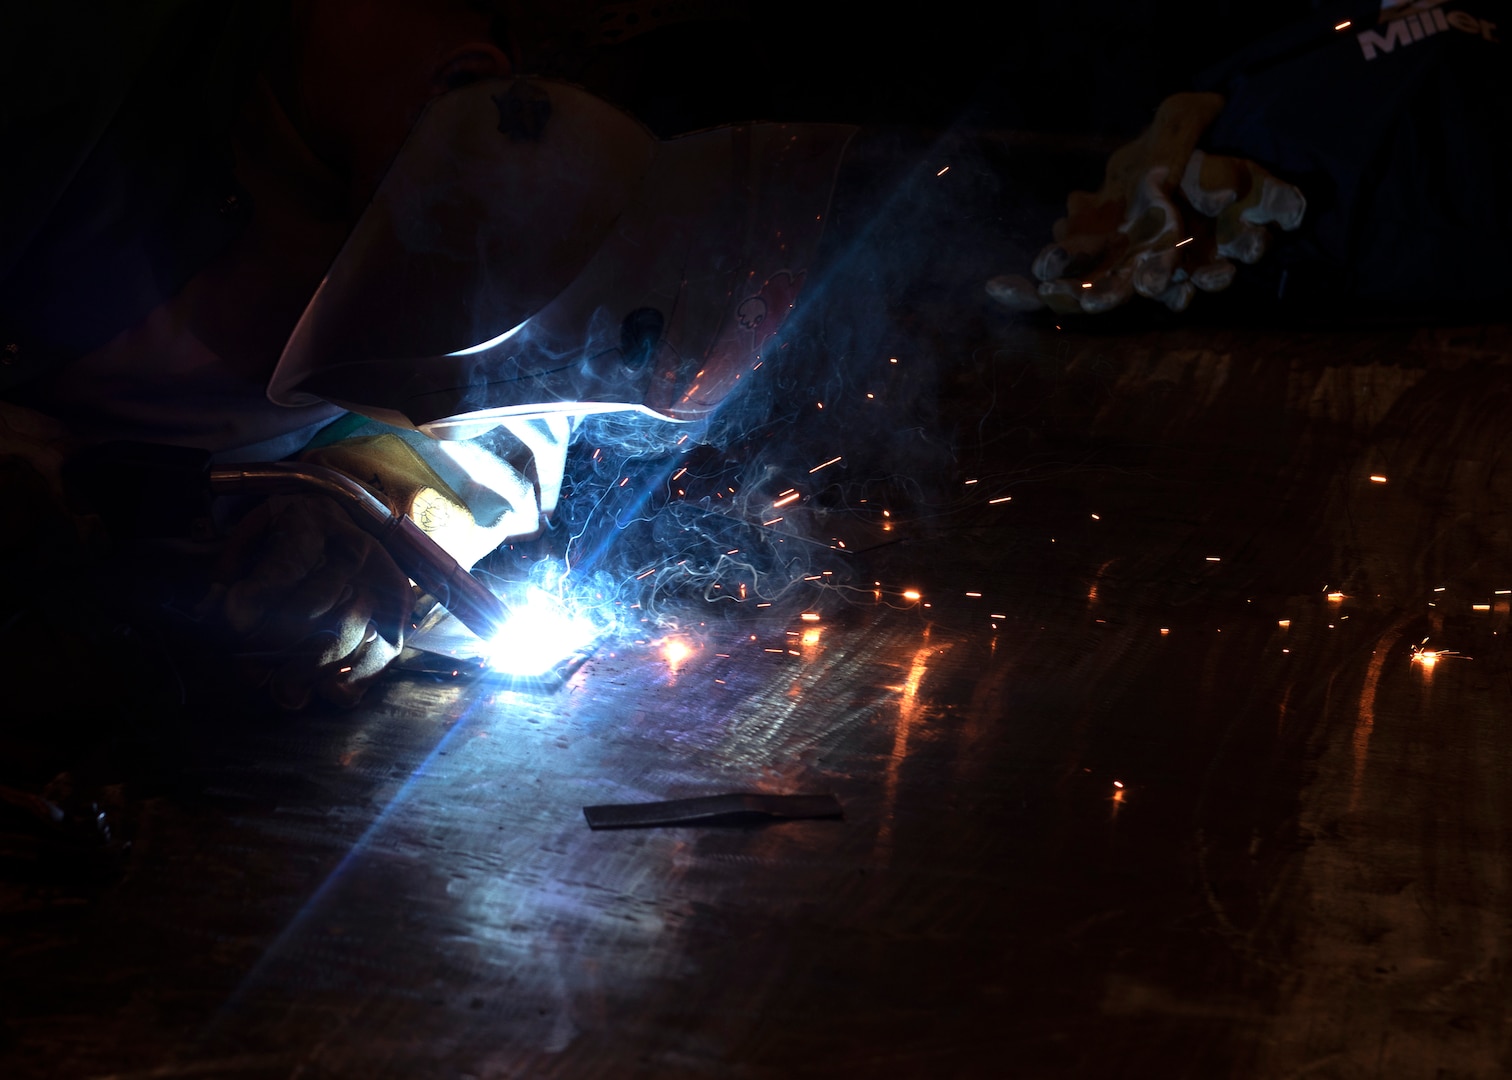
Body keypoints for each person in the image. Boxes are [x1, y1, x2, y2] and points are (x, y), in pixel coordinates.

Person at [0, 0, 850, 709]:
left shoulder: (509, 172)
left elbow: (527, 387)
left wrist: (401, 493)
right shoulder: (68, 77)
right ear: (465, 87)